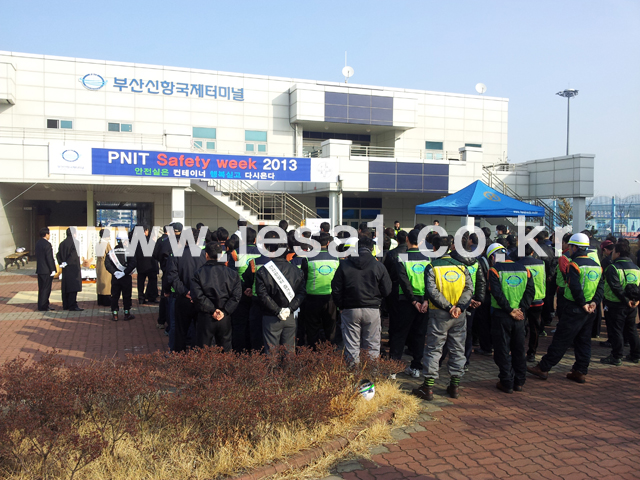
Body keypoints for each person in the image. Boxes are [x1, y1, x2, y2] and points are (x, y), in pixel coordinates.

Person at [528, 233, 604, 384]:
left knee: (561, 339)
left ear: (575, 247)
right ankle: (580, 371)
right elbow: (600, 287)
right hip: (590, 309)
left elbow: (574, 287)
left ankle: (544, 367)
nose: (569, 249)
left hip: (575, 307)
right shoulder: (597, 266)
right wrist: (594, 303)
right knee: (584, 341)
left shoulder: (574, 265)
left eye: (570, 247)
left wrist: (582, 303)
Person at [412, 235, 473, 401]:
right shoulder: (462, 267)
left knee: (434, 348)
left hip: (439, 314)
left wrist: (448, 307)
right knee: (458, 348)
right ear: (451, 247)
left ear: (434, 249)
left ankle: (428, 387)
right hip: (459, 315)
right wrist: (459, 307)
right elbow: (469, 289)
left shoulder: (432, 267)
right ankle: (454, 386)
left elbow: (432, 292)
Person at [332, 234, 392, 365]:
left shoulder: (344, 264)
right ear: (372, 249)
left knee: (351, 346)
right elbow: (387, 290)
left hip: (350, 309)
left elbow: (336, 288)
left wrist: (341, 306)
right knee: (372, 346)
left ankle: (353, 373)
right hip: (372, 309)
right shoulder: (378, 266)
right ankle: (370, 373)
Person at [487, 242, 535, 394]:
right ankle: (519, 381)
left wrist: (509, 310)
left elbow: (496, 293)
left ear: (493, 257)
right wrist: (520, 310)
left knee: (502, 349)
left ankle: (506, 382)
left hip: (501, 315)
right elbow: (530, 292)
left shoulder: (494, 270)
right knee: (519, 349)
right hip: (520, 316)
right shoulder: (525, 270)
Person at [255, 230, 306, 354]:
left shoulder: (263, 271)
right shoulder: (297, 271)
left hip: (271, 317)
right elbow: (301, 293)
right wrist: (290, 309)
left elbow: (262, 295)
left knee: (271, 354)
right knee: (289, 353)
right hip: (290, 316)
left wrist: (278, 310)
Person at [391, 229, 430, 377]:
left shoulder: (401, 258)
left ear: (407, 239)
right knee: (419, 334)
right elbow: (430, 281)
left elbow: (403, 281)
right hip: (424, 302)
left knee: (400, 334)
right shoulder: (428, 258)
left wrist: (413, 300)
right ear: (421, 241)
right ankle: (416, 367)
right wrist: (426, 300)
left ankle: (393, 368)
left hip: (406, 300)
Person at [191, 242, 242, 351]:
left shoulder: (198, 273)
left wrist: (212, 310)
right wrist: (225, 311)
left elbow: (198, 296)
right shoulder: (232, 274)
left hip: (206, 317)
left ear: (206, 255)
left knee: (203, 351)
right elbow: (236, 296)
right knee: (225, 351)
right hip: (224, 317)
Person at [165, 227, 207, 352]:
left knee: (180, 329)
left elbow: (172, 277)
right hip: (199, 298)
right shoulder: (204, 255)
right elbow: (207, 276)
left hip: (183, 298)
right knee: (198, 329)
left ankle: (179, 354)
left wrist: (185, 292)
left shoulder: (176, 255)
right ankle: (196, 353)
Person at [600, 241, 640, 365]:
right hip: (632, 305)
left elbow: (615, 287)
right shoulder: (636, 268)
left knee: (616, 330)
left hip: (616, 304)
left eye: (613, 252)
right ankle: (636, 355)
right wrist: (636, 300)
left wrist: (626, 300)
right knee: (631, 329)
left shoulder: (613, 268)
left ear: (617, 253)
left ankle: (616, 356)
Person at [300, 232, 340, 348]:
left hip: (312, 298)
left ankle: (313, 351)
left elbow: (303, 279)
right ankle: (330, 351)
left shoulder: (307, 258)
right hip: (330, 298)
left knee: (312, 329)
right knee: (330, 328)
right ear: (328, 243)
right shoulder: (336, 258)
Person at [229, 227, 261, 352]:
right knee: (256, 325)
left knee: (239, 325)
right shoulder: (262, 253)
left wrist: (243, 288)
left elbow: (232, 275)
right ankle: (255, 351)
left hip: (240, 293)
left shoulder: (235, 253)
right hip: (257, 293)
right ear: (255, 239)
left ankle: (239, 352)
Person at [517, 244, 546, 363]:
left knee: (520, 328)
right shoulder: (541, 264)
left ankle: (519, 351)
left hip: (523, 300)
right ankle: (532, 353)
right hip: (538, 299)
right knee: (535, 328)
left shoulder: (518, 264)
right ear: (532, 252)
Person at [104, 233, 137, 321]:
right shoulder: (129, 251)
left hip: (116, 278)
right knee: (127, 295)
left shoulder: (112, 252)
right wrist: (124, 272)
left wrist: (115, 272)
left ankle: (115, 314)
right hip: (126, 277)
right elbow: (133, 263)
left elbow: (107, 264)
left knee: (115, 295)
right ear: (125, 241)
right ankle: (127, 313)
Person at [56, 227, 83, 311]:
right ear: (74, 233)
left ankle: (66, 304)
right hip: (73, 267)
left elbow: (58, 254)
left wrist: (61, 262)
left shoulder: (62, 243)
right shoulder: (76, 242)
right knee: (73, 287)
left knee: (66, 287)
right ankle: (72, 305)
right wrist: (68, 262)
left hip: (65, 268)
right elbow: (74, 254)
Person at [134, 225, 158, 305]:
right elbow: (156, 253)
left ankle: (141, 298)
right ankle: (152, 297)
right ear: (146, 231)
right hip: (151, 265)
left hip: (140, 265)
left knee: (141, 282)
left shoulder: (136, 242)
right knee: (152, 281)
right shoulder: (151, 241)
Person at [35, 227, 56, 311]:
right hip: (46, 270)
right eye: (49, 234)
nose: (49, 236)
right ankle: (44, 306)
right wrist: (53, 269)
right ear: (46, 234)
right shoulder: (47, 244)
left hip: (40, 269)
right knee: (46, 289)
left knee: (41, 288)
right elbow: (49, 258)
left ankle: (42, 305)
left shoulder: (38, 243)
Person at [95, 229, 112, 306]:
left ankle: (100, 300)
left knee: (100, 281)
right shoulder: (106, 244)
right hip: (105, 264)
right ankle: (106, 301)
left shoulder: (98, 243)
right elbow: (110, 254)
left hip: (99, 263)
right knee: (106, 282)